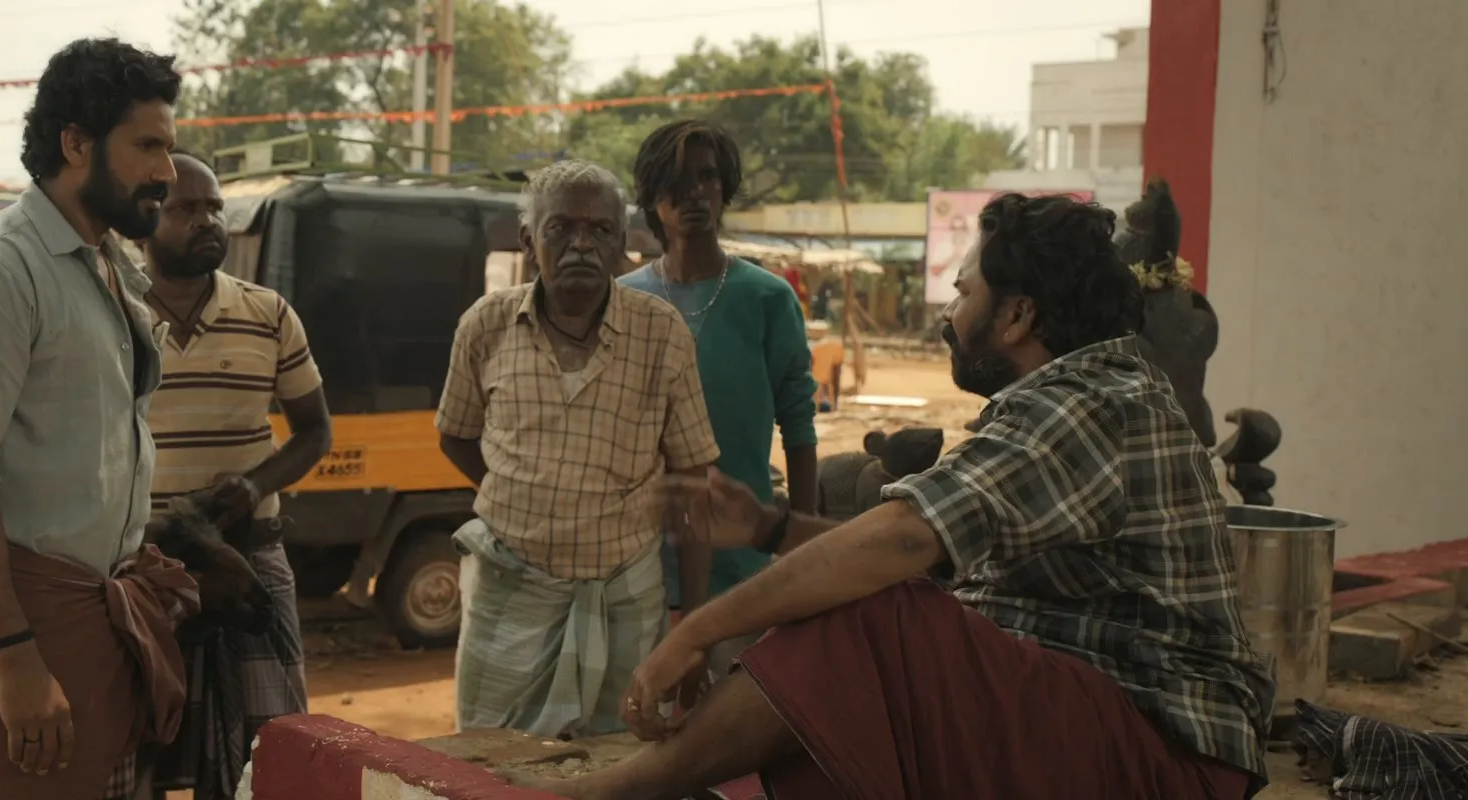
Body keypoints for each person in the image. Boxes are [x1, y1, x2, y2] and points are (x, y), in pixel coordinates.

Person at [517, 193, 1276, 800]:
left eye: (964, 293)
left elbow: (901, 541)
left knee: (873, 609)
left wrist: (697, 631)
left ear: (1017, 316)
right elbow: (908, 555)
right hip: (1107, 735)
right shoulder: (1076, 396)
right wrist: (769, 527)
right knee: (867, 606)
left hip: (1167, 764)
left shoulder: (1091, 405)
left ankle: (620, 792)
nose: (948, 316)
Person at [0, 38, 191, 800]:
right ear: (75, 143)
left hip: (98, 611)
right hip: (25, 620)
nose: (167, 171)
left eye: (168, 147)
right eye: (148, 146)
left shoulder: (105, 264)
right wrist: (13, 654)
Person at [436, 158, 720, 739]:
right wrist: (521, 496)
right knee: (491, 760)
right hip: (510, 591)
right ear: (528, 240)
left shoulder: (662, 333)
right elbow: (455, 435)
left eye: (600, 231)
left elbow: (694, 489)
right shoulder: (485, 326)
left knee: (624, 756)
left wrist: (694, 632)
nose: (581, 246)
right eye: (561, 228)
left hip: (625, 596)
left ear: (621, 244)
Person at [137, 151, 332, 800]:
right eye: (185, 209)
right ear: (145, 220)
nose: (206, 221)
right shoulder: (113, 315)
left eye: (214, 208)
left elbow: (315, 432)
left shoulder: (268, 313)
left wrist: (253, 486)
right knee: (141, 751)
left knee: (273, 750)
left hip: (250, 559)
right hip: (145, 568)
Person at [615, 120, 817, 684]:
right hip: (634, 571)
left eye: (706, 177)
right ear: (651, 197)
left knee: (728, 722)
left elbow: (798, 425)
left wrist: (798, 553)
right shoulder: (624, 301)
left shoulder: (767, 298)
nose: (693, 194)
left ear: (725, 188)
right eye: (675, 181)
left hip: (741, 573)